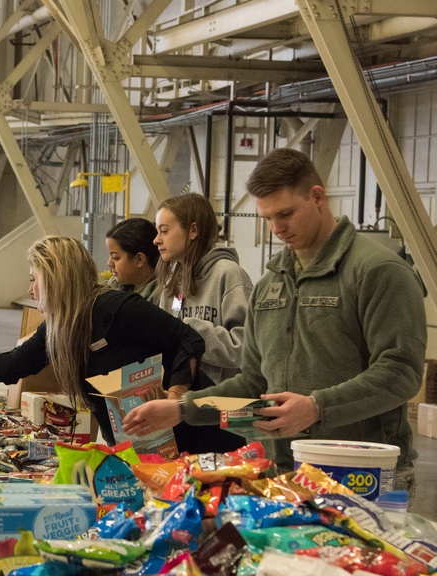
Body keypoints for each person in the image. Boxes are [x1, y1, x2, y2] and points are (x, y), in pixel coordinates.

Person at [123, 148, 426, 498]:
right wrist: (181, 410)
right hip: (283, 472)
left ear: (317, 197)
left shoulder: (377, 271)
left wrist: (316, 408)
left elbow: (400, 371)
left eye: (285, 214)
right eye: (267, 218)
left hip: (359, 474)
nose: (277, 228)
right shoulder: (270, 285)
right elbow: (253, 383)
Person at [0, 235, 211, 448]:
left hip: (189, 435)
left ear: (55, 278)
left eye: (34, 279)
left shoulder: (117, 309)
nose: (30, 289)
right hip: (134, 440)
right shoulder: (61, 326)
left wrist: (174, 402)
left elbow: (188, 340)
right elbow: (14, 364)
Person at [154, 193, 253, 385]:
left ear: (193, 230)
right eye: (157, 231)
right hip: (182, 399)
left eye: (164, 231)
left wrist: (189, 331)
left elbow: (245, 349)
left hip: (220, 402)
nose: (156, 240)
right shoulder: (172, 284)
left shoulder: (229, 275)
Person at [106, 217, 160, 303]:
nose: (109, 263)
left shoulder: (161, 296)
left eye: (116, 257)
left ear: (139, 259)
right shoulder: (114, 286)